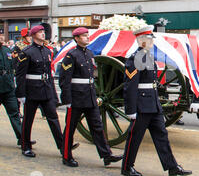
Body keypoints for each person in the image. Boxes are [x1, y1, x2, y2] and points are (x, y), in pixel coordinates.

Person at [121, 25, 192, 176]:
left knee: (162, 135)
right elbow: (130, 86)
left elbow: (152, 81)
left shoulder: (148, 56)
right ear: (141, 40)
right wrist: (131, 110)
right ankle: (127, 166)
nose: (151, 41)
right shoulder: (136, 58)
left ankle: (172, 166)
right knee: (135, 137)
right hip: (141, 105)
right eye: (148, 38)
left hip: (153, 103)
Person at [59, 27, 123, 167]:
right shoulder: (71, 55)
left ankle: (107, 155)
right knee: (70, 128)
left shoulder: (89, 53)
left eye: (87, 35)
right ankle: (66, 156)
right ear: (76, 38)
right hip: (76, 97)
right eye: (83, 36)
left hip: (89, 96)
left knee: (97, 127)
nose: (87, 37)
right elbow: (64, 80)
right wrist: (67, 100)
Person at [15, 25, 65, 157]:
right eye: (40, 32)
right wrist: (21, 94)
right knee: (28, 120)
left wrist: (53, 94)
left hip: (45, 89)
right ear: (33, 35)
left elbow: (48, 73)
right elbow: (20, 75)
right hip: (31, 90)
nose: (43, 34)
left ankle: (62, 146)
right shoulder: (26, 52)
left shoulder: (47, 51)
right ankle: (26, 146)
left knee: (53, 118)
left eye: (43, 32)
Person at [0, 34, 33, 146]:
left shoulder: (6, 50)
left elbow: (13, 66)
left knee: (15, 113)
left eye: (2, 35)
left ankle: (22, 138)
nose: (1, 37)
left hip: (8, 87)